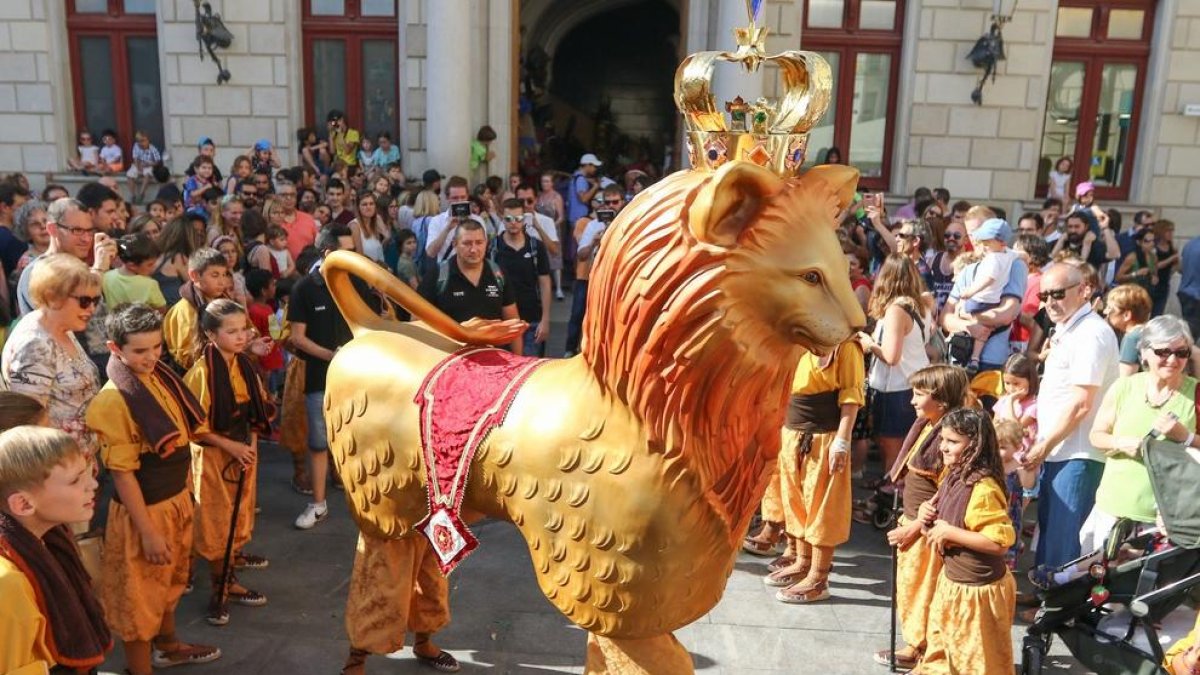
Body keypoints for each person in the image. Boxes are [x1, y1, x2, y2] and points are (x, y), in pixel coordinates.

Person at [86, 304, 222, 673]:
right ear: (115, 348)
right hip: (144, 511)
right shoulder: (114, 399)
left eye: (156, 348)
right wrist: (146, 531)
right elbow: (123, 474)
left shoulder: (160, 376)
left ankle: (168, 644)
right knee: (139, 598)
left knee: (171, 581)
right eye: (140, 351)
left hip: (176, 499)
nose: (151, 358)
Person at [1022, 263, 1119, 572]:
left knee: (1066, 536)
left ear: (1084, 290)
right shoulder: (1070, 328)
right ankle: (1044, 592)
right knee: (1051, 527)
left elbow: (1081, 404)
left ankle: (1056, 607)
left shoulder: (1091, 333)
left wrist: (1043, 445)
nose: (1050, 301)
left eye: (1058, 293)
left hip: (1078, 451)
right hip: (1060, 448)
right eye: (1044, 294)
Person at [874, 365, 971, 669]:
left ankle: (921, 646)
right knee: (909, 585)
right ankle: (914, 641)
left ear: (941, 401)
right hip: (912, 519)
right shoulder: (928, 425)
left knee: (923, 589)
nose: (912, 401)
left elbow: (947, 491)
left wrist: (915, 527)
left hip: (926, 529)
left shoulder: (949, 438)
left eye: (919, 394)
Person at [909, 408, 1016, 675]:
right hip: (953, 584)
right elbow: (939, 524)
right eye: (942, 439)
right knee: (942, 646)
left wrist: (951, 533)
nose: (943, 447)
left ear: (976, 445)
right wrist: (925, 516)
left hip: (977, 593)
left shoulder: (983, 489)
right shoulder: (954, 476)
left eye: (953, 442)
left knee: (974, 661)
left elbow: (999, 543)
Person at [0, 426, 111, 675]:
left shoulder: (47, 539)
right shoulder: (7, 584)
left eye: (87, 473)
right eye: (75, 480)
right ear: (24, 503)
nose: (92, 484)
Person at [288, 226, 379, 530]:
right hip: (320, 379)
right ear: (328, 253)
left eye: (355, 250)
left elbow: (370, 323)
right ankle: (318, 504)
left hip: (359, 380)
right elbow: (297, 338)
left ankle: (371, 502)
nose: (355, 256)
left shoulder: (358, 283)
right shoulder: (304, 288)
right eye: (348, 251)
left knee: (364, 439)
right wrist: (333, 357)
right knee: (318, 443)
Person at [764, 341, 864, 605]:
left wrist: (842, 441)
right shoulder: (801, 341)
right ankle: (802, 561)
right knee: (794, 500)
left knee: (823, 505)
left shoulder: (846, 348)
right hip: (793, 432)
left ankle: (819, 576)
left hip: (824, 437)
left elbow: (850, 398)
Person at [2, 254, 101, 464]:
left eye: (95, 300)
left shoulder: (62, 325)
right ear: (52, 296)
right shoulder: (35, 345)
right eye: (84, 301)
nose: (92, 308)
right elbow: (30, 425)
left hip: (80, 461)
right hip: (57, 468)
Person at [856, 255, 932, 479]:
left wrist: (870, 345)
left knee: (893, 452)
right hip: (913, 384)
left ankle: (891, 502)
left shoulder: (897, 310)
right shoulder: (923, 305)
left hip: (896, 389)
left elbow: (891, 357)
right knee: (905, 450)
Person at [942, 210, 1027, 374]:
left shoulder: (1014, 265)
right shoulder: (968, 269)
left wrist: (968, 315)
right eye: (971, 233)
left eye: (980, 232)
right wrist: (967, 325)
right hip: (959, 356)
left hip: (991, 361)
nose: (976, 239)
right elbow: (945, 317)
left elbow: (1006, 314)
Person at [418, 219, 520, 342]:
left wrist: (518, 358)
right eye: (467, 243)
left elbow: (513, 326)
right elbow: (417, 322)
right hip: (453, 356)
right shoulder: (437, 275)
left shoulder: (498, 274)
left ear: (486, 243)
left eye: (479, 242)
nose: (473, 249)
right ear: (455, 244)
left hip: (494, 356)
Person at [955, 218, 1018, 373]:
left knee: (964, 312)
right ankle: (975, 358)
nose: (983, 245)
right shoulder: (1008, 254)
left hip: (980, 300)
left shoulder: (993, 259)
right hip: (992, 303)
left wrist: (970, 292)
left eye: (987, 242)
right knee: (985, 329)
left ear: (1001, 242)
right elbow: (1021, 255)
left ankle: (975, 356)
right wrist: (1026, 258)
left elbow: (987, 280)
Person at [493, 198, 550, 357]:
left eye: (518, 219)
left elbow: (545, 282)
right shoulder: (493, 247)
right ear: (501, 218)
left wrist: (545, 320)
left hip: (531, 318)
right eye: (509, 219)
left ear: (524, 219)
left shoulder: (535, 246)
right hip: (501, 322)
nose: (513, 223)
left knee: (532, 373)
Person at [163, 247, 232, 372]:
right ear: (194, 275)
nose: (222, 282)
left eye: (224, 274)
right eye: (215, 275)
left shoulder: (226, 302)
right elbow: (187, 356)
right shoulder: (184, 310)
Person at [104, 233, 168, 310]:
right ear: (132, 265)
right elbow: (162, 308)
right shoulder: (150, 284)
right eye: (150, 264)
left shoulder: (106, 277)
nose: (154, 267)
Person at [1104, 284, 1153, 376]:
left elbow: (1125, 379)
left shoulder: (1132, 338)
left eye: (1110, 309)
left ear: (1126, 315)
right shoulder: (1148, 332)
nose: (1105, 312)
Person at [1115, 226, 1159, 294]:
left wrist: (1154, 278)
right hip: (1130, 294)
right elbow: (1118, 278)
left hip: (1146, 294)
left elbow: (1155, 274)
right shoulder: (1132, 257)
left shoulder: (1154, 257)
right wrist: (1136, 273)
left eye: (1154, 240)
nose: (1152, 243)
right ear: (1139, 242)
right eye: (1147, 241)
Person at [1151, 219, 1180, 317]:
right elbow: (1155, 265)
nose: (1171, 233)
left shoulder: (1171, 247)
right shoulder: (1153, 246)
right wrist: (1171, 258)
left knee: (1158, 314)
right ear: (1161, 231)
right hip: (1152, 285)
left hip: (1164, 284)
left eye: (1172, 231)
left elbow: (1175, 266)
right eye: (1169, 231)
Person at [566, 153, 603, 226]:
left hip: (574, 216)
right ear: (588, 165)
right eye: (594, 166)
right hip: (579, 217)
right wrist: (595, 186)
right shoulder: (581, 179)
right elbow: (583, 199)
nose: (595, 169)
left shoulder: (576, 176)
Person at [126, 131, 162, 204]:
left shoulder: (152, 149)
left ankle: (142, 194)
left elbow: (157, 161)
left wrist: (149, 164)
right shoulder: (136, 146)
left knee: (147, 174)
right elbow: (135, 158)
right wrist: (138, 169)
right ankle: (133, 195)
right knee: (129, 175)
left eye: (143, 141)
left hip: (148, 164)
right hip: (138, 164)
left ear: (148, 140)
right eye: (139, 141)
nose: (141, 143)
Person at [1180, 235, 1200, 339]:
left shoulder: (1189, 244)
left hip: (1186, 291)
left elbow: (1181, 268)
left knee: (1189, 330)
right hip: (1196, 295)